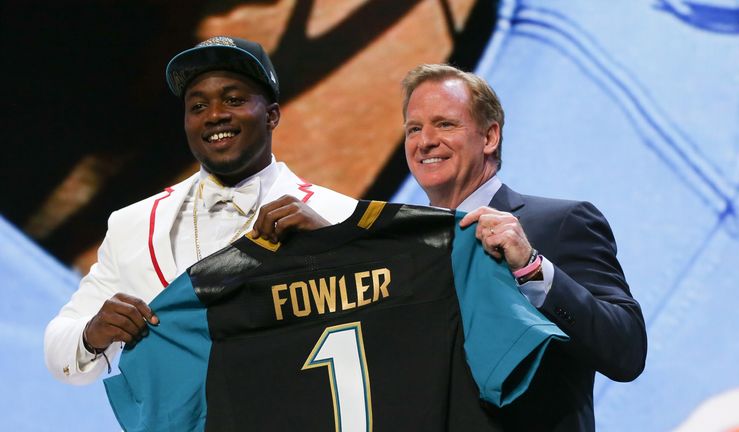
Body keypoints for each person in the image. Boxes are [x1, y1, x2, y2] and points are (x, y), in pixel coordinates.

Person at [44, 36, 357, 385]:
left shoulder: (335, 215)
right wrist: (93, 333)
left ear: (272, 116)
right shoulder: (133, 225)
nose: (215, 115)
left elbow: (383, 334)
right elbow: (60, 347)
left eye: (233, 100)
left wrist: (333, 250)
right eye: (197, 106)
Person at [401, 63, 647, 431]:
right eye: (414, 129)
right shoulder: (405, 251)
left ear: (490, 137)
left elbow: (626, 350)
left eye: (445, 124)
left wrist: (531, 267)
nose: (425, 141)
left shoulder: (560, 223)